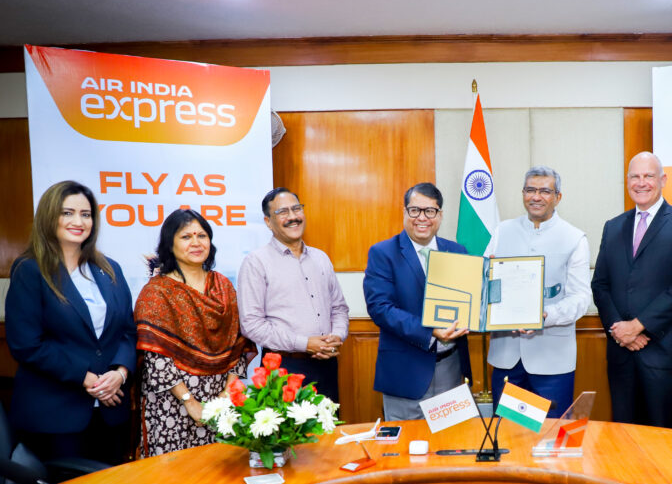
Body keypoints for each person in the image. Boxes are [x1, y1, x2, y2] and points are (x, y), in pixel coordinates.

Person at [5, 181, 136, 464]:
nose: (79, 221)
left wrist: (120, 373)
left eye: (86, 214)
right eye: (68, 213)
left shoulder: (110, 269)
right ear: (50, 216)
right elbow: (26, 345)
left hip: (111, 411)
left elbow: (128, 330)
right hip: (55, 417)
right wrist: (86, 378)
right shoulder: (30, 270)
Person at [591, 151, 672, 429]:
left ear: (663, 180)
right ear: (627, 182)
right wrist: (620, 329)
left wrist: (639, 327)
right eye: (635, 177)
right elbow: (600, 284)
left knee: (665, 446)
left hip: (664, 355)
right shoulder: (613, 226)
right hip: (622, 355)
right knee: (625, 443)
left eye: (649, 176)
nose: (641, 183)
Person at [135, 209, 255, 457]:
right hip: (173, 402)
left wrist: (225, 394)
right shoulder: (156, 291)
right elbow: (156, 358)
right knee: (177, 483)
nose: (196, 243)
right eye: (186, 237)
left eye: (202, 235)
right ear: (170, 244)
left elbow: (238, 343)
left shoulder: (223, 285)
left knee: (224, 474)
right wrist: (189, 401)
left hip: (220, 399)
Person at [485, 166, 591, 419]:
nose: (536, 196)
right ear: (523, 193)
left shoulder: (574, 238)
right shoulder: (502, 231)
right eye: (530, 190)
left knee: (548, 441)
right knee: (509, 436)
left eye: (545, 191)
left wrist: (545, 316)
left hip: (552, 363)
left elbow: (580, 298)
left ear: (558, 197)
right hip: (506, 359)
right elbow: (483, 283)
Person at [363, 183, 473, 420]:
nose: (422, 218)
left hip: (451, 372)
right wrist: (430, 331)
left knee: (451, 449)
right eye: (415, 210)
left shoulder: (457, 252)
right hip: (405, 374)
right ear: (404, 212)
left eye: (430, 211)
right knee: (405, 451)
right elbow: (380, 308)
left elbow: (469, 304)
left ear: (440, 215)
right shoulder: (383, 253)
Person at [238, 188, 349, 403]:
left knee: (327, 432)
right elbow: (251, 324)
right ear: (268, 222)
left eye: (296, 209)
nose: (292, 217)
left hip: (326, 364)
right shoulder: (256, 262)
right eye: (282, 212)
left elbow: (339, 308)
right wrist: (304, 343)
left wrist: (337, 336)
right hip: (283, 367)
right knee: (289, 436)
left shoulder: (321, 258)